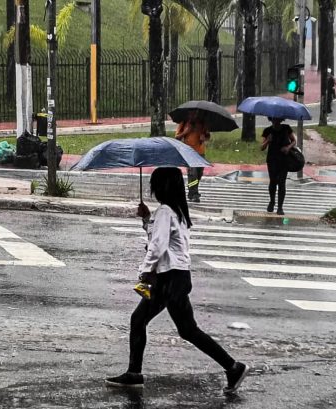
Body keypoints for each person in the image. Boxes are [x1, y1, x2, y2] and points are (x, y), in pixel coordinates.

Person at [105, 167, 249, 394]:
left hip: (169, 278)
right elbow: (162, 240)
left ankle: (134, 373)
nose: (151, 189)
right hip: (178, 277)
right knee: (187, 330)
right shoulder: (176, 210)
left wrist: (144, 271)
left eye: (154, 184)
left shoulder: (165, 211)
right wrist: (147, 219)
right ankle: (233, 367)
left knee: (139, 319)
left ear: (161, 187)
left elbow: (158, 246)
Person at [261, 118, 296, 216]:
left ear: (281, 119)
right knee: (273, 182)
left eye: (278, 119)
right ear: (271, 119)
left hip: (284, 159)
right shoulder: (267, 130)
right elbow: (262, 147)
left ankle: (280, 207)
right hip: (272, 160)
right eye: (274, 119)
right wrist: (268, 141)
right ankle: (272, 201)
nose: (276, 121)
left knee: (282, 182)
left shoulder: (286, 128)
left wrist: (288, 147)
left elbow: (294, 141)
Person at [175, 111, 211, 203]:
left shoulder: (202, 123)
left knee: (198, 174)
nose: (193, 115)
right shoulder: (184, 123)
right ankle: (194, 194)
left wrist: (204, 138)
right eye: (191, 113)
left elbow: (208, 136)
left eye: (195, 113)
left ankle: (192, 191)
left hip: (200, 153)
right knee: (193, 174)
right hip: (189, 153)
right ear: (188, 114)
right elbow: (177, 137)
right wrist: (186, 132)